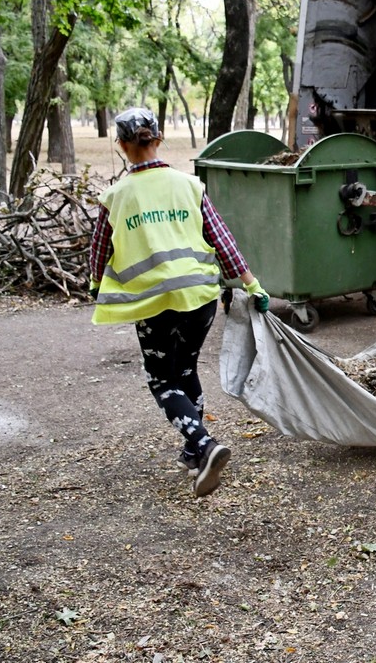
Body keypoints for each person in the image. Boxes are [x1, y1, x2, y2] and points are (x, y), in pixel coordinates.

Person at [88, 107, 270, 497]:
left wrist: (93, 285)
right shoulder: (189, 186)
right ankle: (193, 450)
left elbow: (99, 251)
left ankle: (204, 445)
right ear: (159, 138)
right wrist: (252, 285)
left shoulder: (116, 197)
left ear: (121, 146)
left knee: (162, 379)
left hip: (153, 303)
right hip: (201, 298)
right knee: (185, 368)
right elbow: (223, 241)